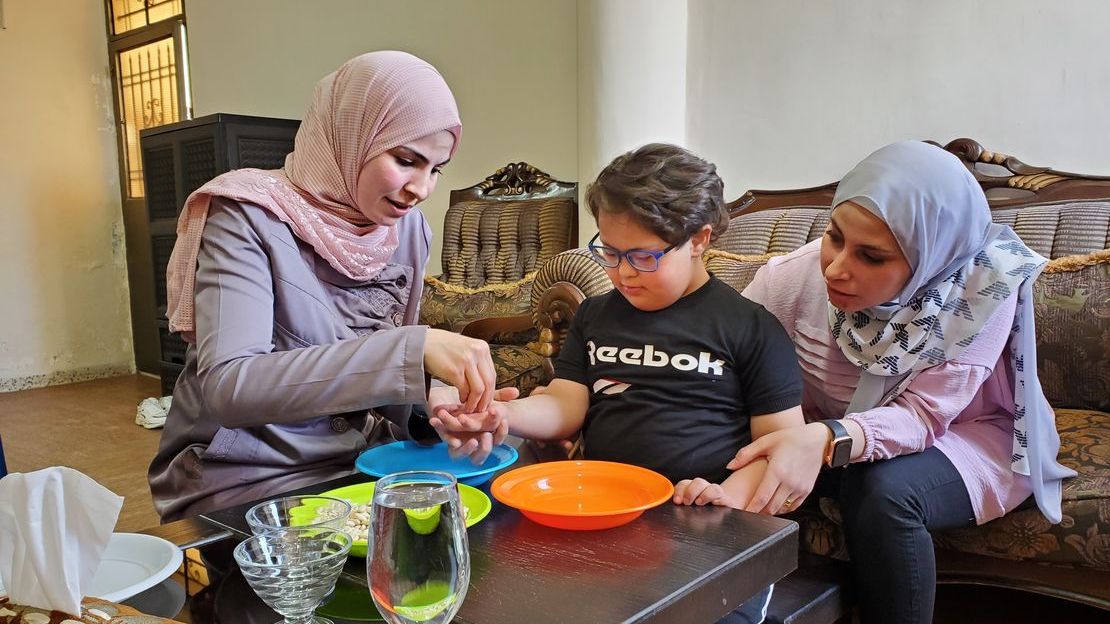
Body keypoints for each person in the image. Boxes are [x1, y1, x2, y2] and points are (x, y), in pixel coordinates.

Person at [436, 144, 806, 624]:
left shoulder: (750, 328)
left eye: (644, 257)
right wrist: (504, 415)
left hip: (705, 527)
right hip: (602, 513)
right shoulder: (597, 314)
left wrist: (730, 496)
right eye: (609, 252)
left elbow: (782, 447)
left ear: (699, 239)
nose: (623, 272)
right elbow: (566, 405)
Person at [148, 51, 513, 522]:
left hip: (363, 464)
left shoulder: (407, 230)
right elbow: (228, 386)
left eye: (436, 169)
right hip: (247, 478)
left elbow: (380, 380)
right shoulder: (247, 215)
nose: (421, 188)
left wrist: (434, 407)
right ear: (350, 136)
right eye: (406, 160)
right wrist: (411, 348)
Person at [730, 140, 1075, 624]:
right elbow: (726, 367)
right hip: (821, 428)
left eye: (871, 257)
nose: (835, 267)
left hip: (967, 433)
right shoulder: (790, 277)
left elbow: (922, 417)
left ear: (934, 255)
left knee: (881, 490)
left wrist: (827, 438)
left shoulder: (982, 295)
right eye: (833, 235)